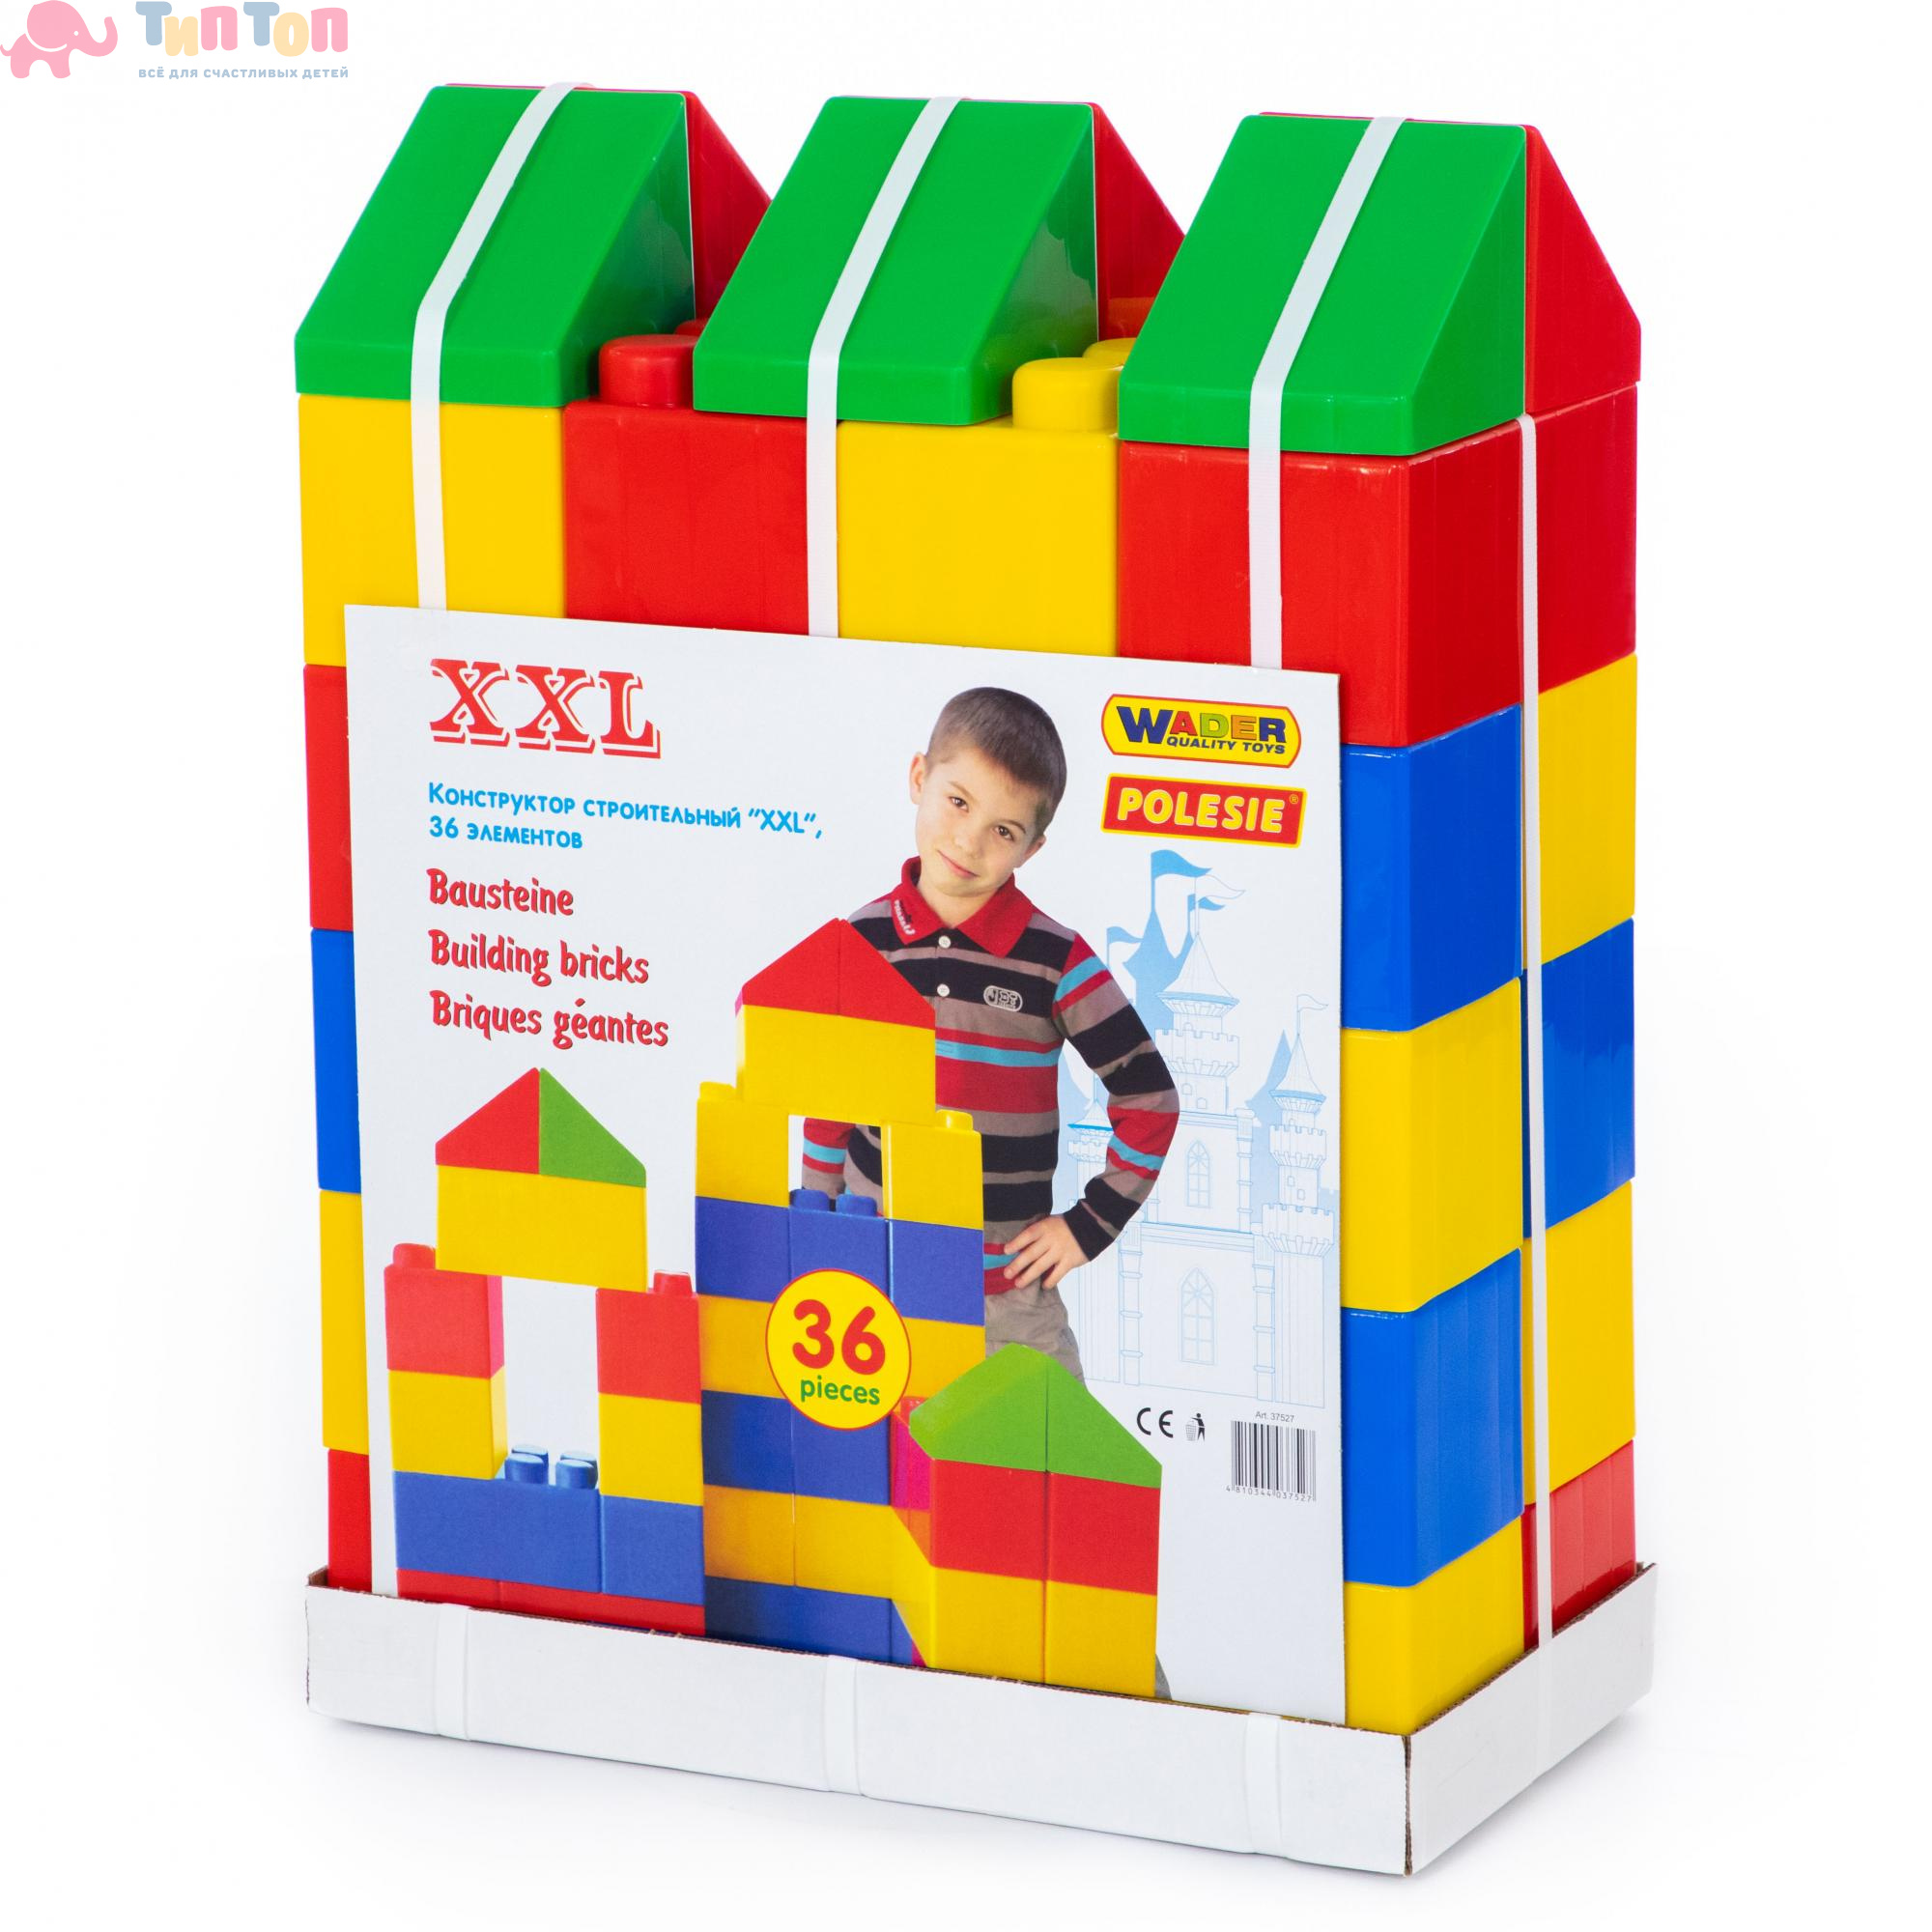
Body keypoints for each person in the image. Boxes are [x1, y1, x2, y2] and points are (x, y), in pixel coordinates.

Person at [801, 687, 1178, 1378]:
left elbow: (1150, 1099)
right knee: (870, 1446)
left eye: (1003, 831)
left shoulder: (1057, 960)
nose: (968, 840)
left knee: (1041, 1442)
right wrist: (819, 1227)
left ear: (1033, 847)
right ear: (919, 778)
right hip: (871, 1278)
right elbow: (828, 1096)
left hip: (1004, 1294)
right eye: (958, 802)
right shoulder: (860, 942)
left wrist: (1087, 1226)